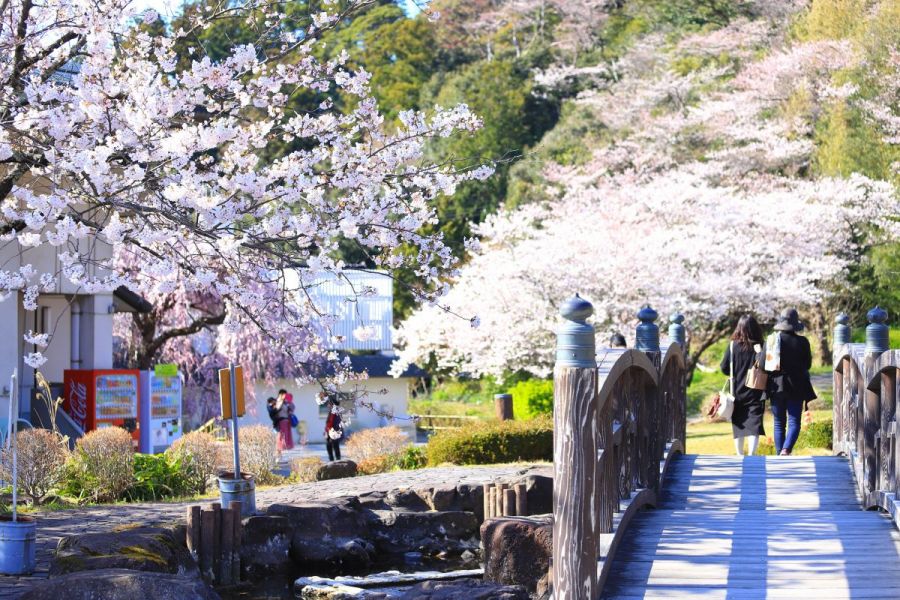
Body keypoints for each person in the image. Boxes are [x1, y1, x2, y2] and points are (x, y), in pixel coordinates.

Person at [764, 308, 817, 456]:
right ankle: (786, 450)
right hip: (797, 385)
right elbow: (807, 365)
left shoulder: (772, 340)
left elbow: (763, 364)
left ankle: (780, 452)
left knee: (779, 423)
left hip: (776, 385)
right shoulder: (803, 342)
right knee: (794, 421)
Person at [720, 315, 766, 456]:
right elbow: (766, 366)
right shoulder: (760, 346)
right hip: (756, 390)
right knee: (754, 424)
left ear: (739, 328)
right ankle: (752, 455)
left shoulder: (733, 346)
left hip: (737, 391)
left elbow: (724, 367)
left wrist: (733, 372)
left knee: (738, 425)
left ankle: (739, 455)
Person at [324, 397, 343, 461]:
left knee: (335, 445)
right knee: (329, 446)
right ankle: (331, 459)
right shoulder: (331, 412)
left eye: (329, 404)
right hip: (329, 431)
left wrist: (333, 432)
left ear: (332, 404)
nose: (328, 405)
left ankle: (338, 459)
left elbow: (337, 423)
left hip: (334, 432)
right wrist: (326, 430)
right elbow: (328, 422)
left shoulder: (336, 412)